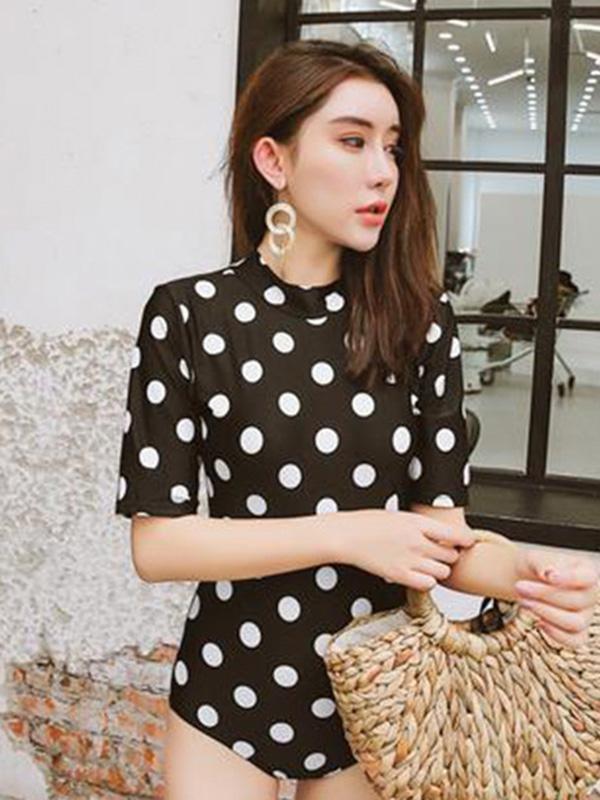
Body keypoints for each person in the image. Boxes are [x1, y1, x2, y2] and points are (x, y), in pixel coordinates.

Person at [114, 39, 599, 800]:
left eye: (393, 147)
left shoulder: (420, 322)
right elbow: (159, 545)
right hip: (227, 685)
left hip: (380, 697)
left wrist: (528, 575)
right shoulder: (190, 315)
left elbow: (443, 542)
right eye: (352, 141)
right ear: (273, 160)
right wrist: (350, 532)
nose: (383, 171)